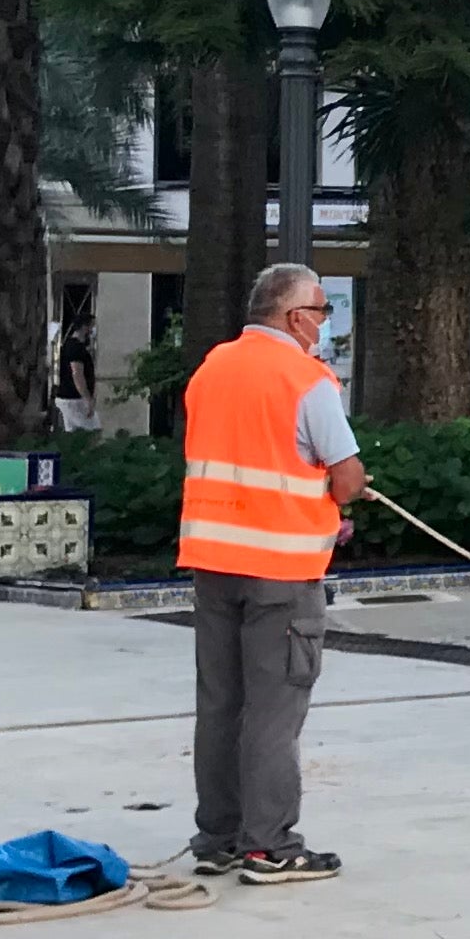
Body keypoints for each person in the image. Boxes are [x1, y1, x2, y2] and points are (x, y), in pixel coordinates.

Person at [179, 263, 367, 885]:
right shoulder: (306, 378)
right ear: (295, 317)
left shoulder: (213, 368)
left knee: (220, 703)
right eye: (320, 310)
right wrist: (342, 496)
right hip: (280, 570)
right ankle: (270, 846)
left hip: (212, 560)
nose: (322, 323)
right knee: (273, 710)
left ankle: (220, 838)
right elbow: (346, 475)